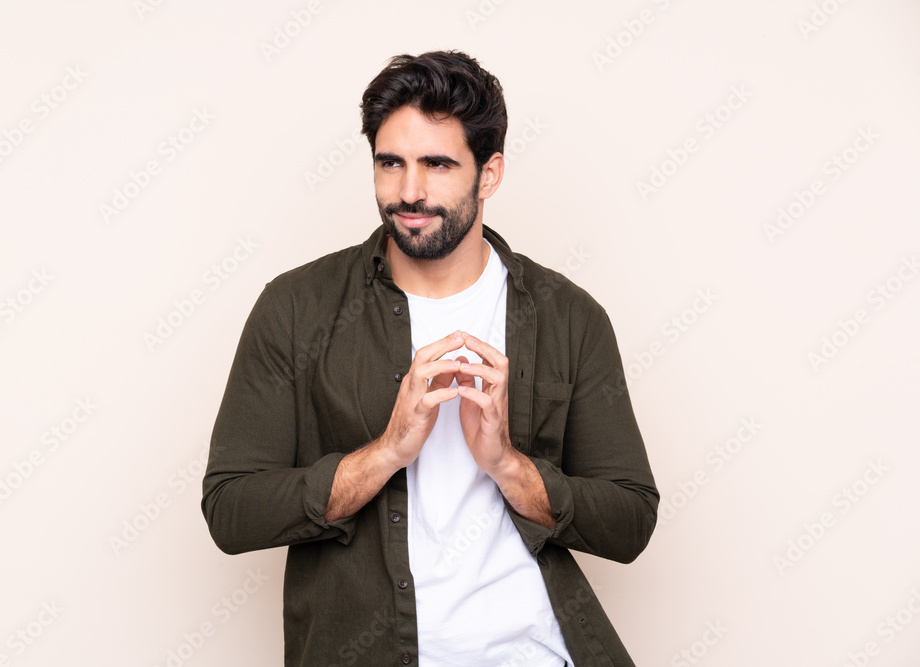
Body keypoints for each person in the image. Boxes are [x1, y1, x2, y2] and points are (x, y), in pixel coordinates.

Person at [202, 50, 659, 666]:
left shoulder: (569, 317)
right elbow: (231, 510)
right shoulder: (296, 308)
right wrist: (386, 452)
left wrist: (508, 465)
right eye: (390, 163)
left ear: (489, 174)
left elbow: (631, 522)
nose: (409, 191)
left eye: (437, 164)